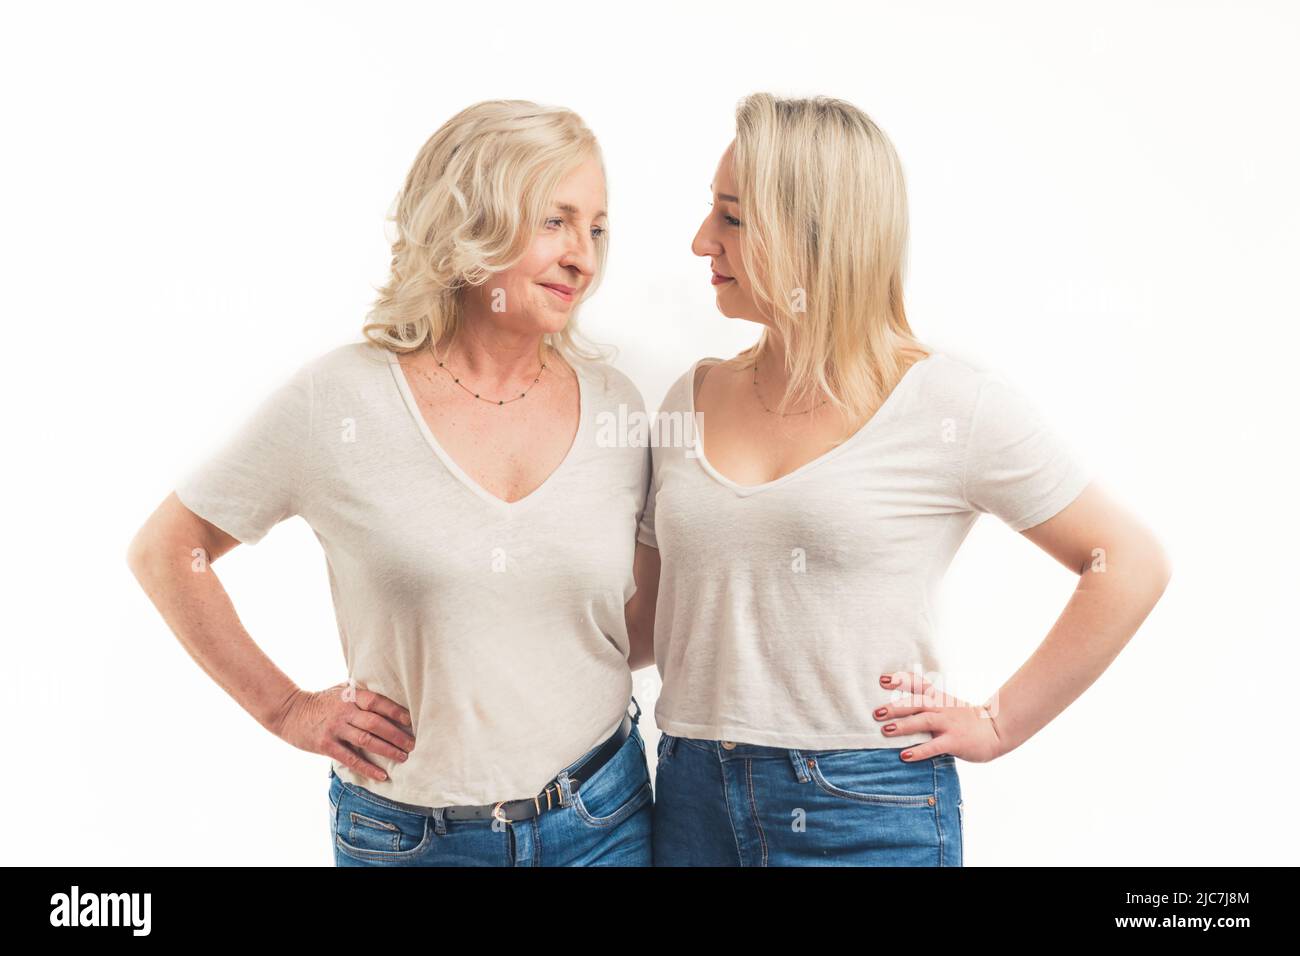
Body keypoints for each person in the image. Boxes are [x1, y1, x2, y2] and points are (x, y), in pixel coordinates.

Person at [630, 93, 1172, 866]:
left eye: (732, 218)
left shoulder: (949, 403)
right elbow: (647, 622)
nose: (699, 241)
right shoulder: (691, 396)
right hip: (688, 794)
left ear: (813, 234)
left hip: (863, 803)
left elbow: (1128, 564)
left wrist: (999, 721)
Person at [127, 100, 654, 866]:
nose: (584, 256)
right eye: (555, 221)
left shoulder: (618, 407)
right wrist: (285, 709)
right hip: (409, 841)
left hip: (602, 820)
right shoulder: (341, 400)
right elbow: (168, 550)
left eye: (597, 228)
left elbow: (632, 625)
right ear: (472, 220)